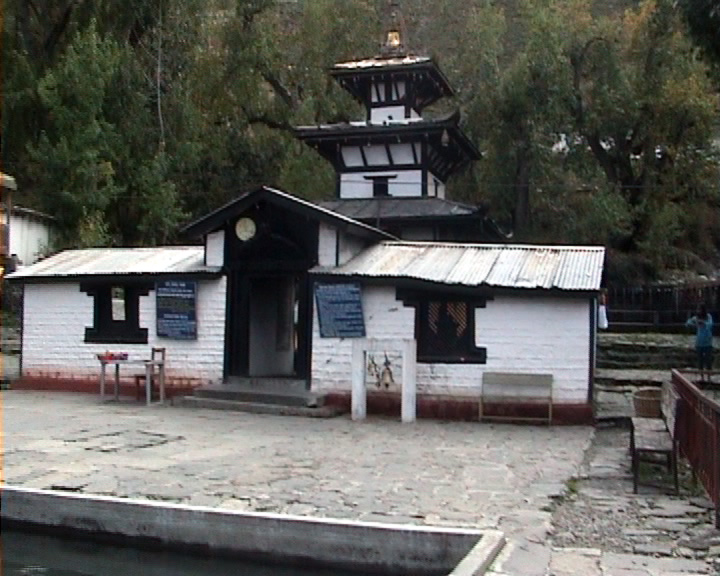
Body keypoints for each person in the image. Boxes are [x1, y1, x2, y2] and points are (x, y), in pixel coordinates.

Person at [686, 303, 714, 382]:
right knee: (700, 360)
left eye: (700, 309)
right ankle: (702, 377)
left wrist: (704, 323)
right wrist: (693, 324)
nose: (698, 311)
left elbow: (710, 324)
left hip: (708, 341)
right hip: (699, 341)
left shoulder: (708, 316)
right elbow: (688, 323)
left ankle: (709, 377)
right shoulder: (696, 318)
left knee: (708, 360)